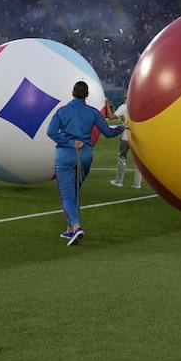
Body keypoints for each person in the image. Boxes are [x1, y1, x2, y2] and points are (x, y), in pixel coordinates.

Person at [48, 82, 123, 245]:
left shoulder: (62, 111)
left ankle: (76, 227)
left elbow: (51, 132)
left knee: (67, 194)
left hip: (66, 156)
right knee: (75, 191)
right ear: (87, 95)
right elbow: (109, 133)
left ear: (72, 92)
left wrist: (69, 142)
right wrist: (123, 127)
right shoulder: (93, 112)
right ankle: (69, 230)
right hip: (85, 157)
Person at [110, 98, 141, 189]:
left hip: (126, 136)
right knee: (138, 161)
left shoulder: (124, 107)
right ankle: (137, 183)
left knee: (122, 158)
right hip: (138, 136)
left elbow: (111, 117)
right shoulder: (138, 106)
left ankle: (119, 181)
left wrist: (107, 104)